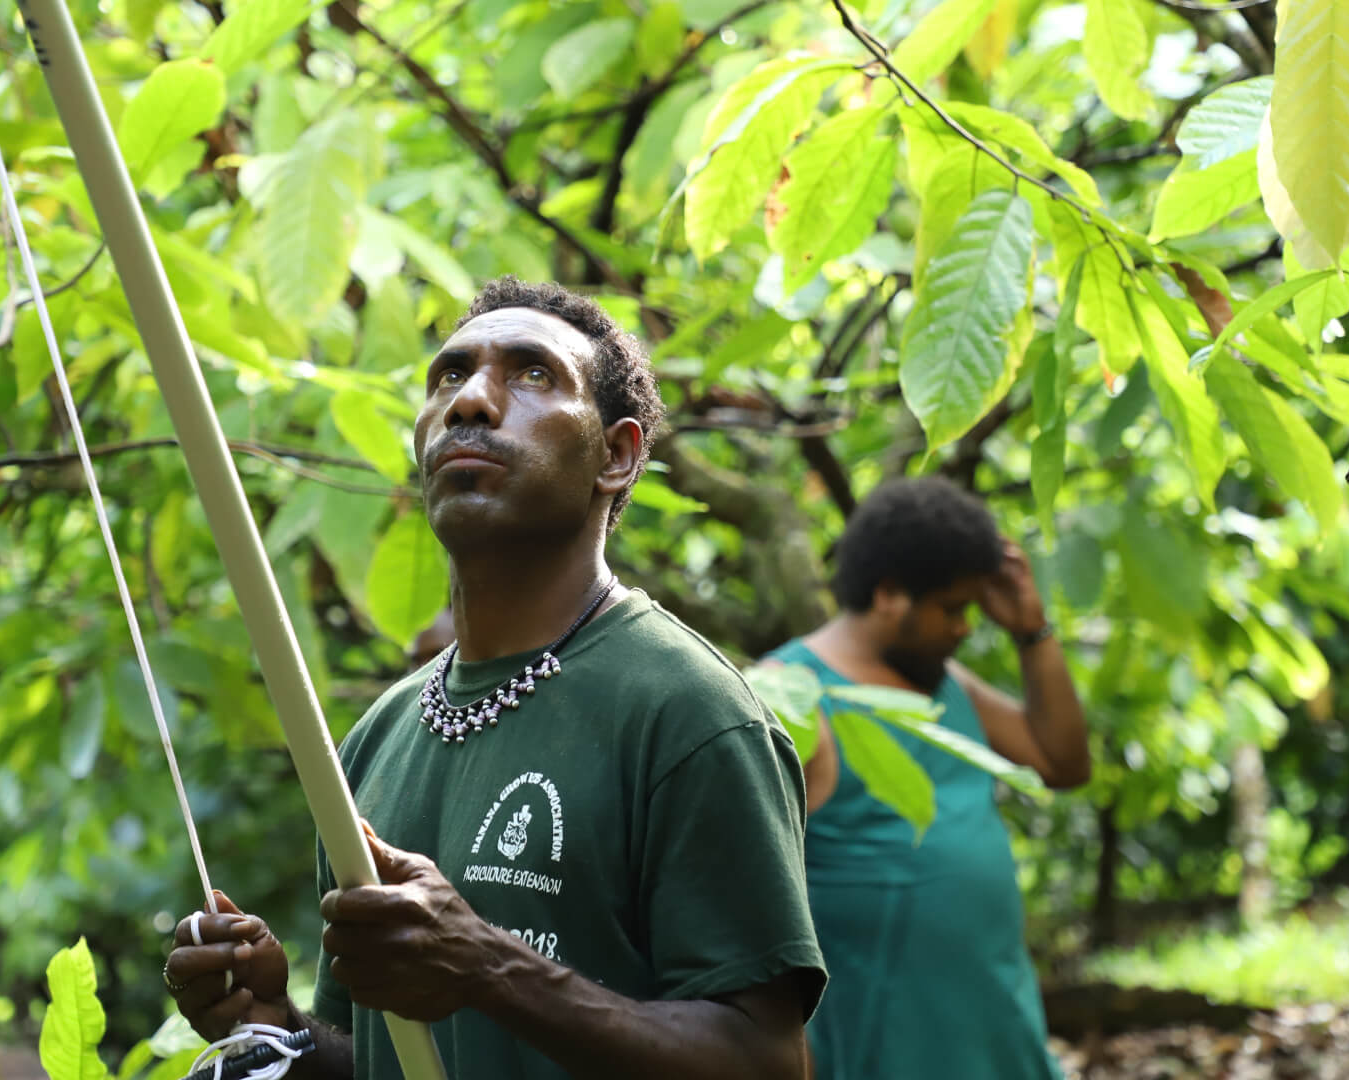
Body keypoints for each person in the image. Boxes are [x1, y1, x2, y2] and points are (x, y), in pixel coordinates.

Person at [163, 278, 825, 1079]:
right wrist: (280, 1028)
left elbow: (765, 1061)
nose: (471, 400)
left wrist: (490, 967)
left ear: (615, 455)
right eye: (449, 375)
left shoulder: (689, 713)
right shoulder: (378, 737)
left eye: (533, 375)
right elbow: (385, 1056)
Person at [763, 476, 1090, 1080]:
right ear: (890, 595)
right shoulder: (790, 699)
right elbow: (746, 909)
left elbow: (1062, 764)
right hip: (882, 1050)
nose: (965, 627)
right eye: (953, 608)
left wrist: (1031, 630)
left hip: (999, 1037)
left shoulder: (946, 686)